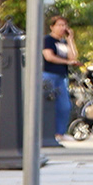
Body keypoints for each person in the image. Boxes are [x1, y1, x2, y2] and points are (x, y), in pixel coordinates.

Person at [40, 15, 76, 147]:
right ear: (52, 27)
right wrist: (66, 61)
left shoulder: (63, 43)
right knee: (48, 105)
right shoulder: (47, 40)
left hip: (61, 76)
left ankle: (60, 133)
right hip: (48, 75)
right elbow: (49, 57)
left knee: (64, 105)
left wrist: (70, 40)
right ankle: (47, 132)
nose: (62, 28)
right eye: (59, 25)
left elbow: (73, 56)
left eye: (64, 25)